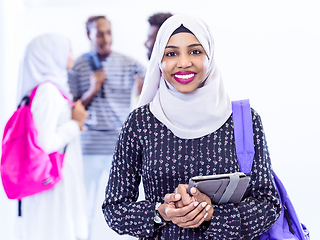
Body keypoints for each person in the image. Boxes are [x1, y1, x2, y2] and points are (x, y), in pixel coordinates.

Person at [102, 14, 281, 240]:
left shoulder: (244, 121)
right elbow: (114, 209)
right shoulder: (140, 123)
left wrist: (211, 214)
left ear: (210, 55)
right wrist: (162, 212)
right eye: (171, 53)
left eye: (195, 51)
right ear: (159, 59)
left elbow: (269, 204)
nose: (184, 62)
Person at [68, 15, 146, 237]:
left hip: (118, 148)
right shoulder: (78, 66)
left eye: (108, 32)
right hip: (89, 146)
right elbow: (72, 109)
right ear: (89, 35)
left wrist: (140, 91)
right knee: (86, 205)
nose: (105, 38)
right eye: (100, 33)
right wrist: (92, 89)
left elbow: (155, 83)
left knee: (119, 204)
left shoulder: (129, 64)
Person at [16, 33, 88, 240]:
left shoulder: (53, 89)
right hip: (53, 183)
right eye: (68, 50)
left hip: (56, 179)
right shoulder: (48, 91)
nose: (72, 55)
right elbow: (44, 143)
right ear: (51, 54)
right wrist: (75, 123)